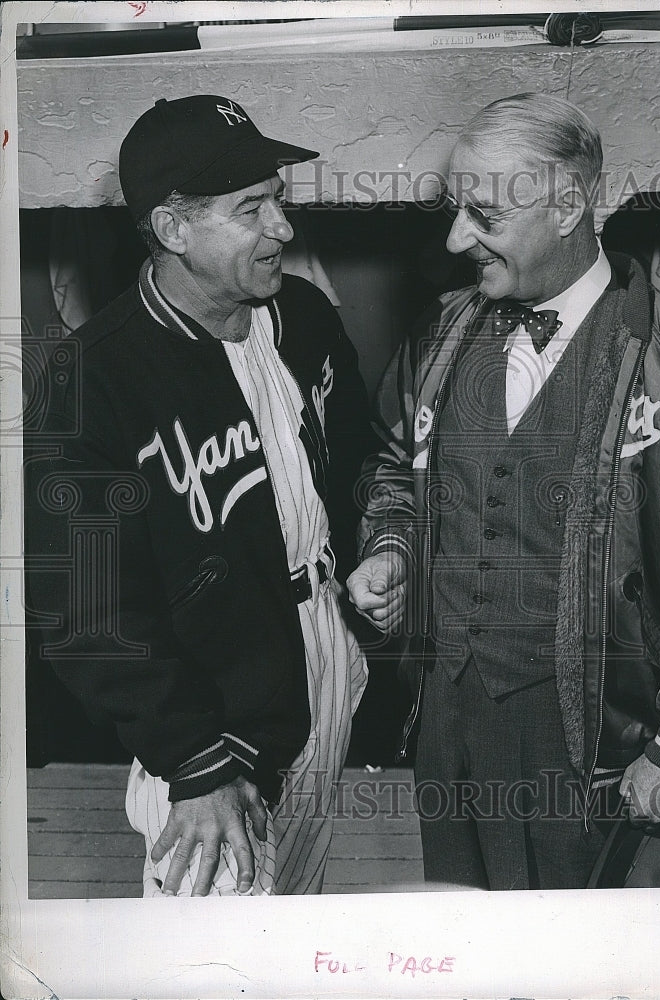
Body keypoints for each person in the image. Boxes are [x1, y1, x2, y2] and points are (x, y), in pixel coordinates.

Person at [348, 92, 660, 890]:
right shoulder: (441, 334)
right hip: (448, 728)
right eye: (455, 211)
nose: (454, 238)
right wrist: (394, 549)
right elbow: (391, 469)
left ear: (570, 203)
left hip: (599, 752)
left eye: (482, 214)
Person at [25, 95, 373, 896]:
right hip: (212, 712)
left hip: (323, 652)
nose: (282, 228)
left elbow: (360, 455)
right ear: (174, 229)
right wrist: (193, 761)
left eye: (278, 198)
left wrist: (377, 548)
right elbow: (88, 612)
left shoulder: (305, 316)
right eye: (251, 208)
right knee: (213, 962)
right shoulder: (96, 380)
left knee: (298, 920)